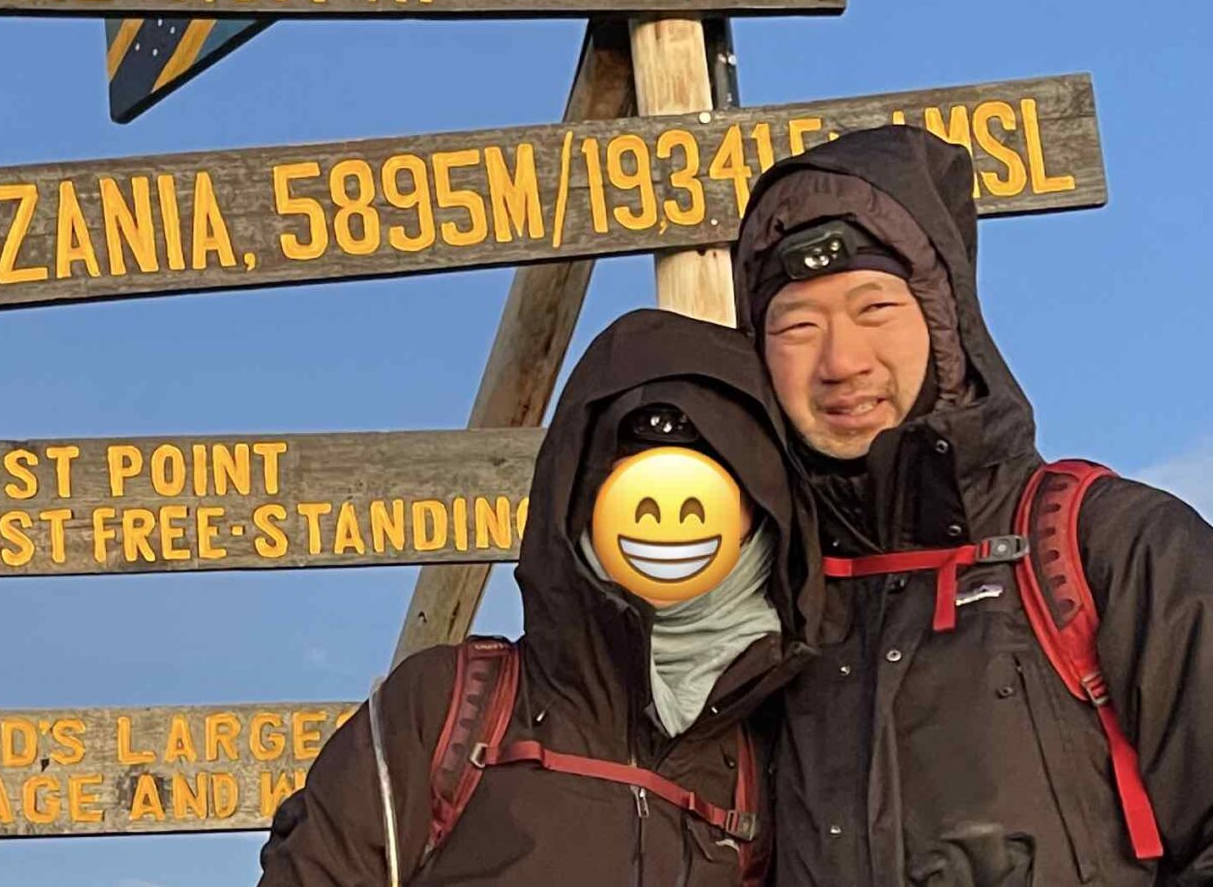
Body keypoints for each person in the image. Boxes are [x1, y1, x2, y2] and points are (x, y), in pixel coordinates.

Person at [730, 125, 1213, 886]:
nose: (840, 361)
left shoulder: (1116, 546)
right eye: (798, 325)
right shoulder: (757, 606)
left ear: (944, 324)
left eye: (874, 309)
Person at [257, 307, 828, 887]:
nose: (668, 519)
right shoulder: (444, 708)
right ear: (578, 496)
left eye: (710, 484)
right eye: (631, 484)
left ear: (762, 512)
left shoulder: (771, 757)